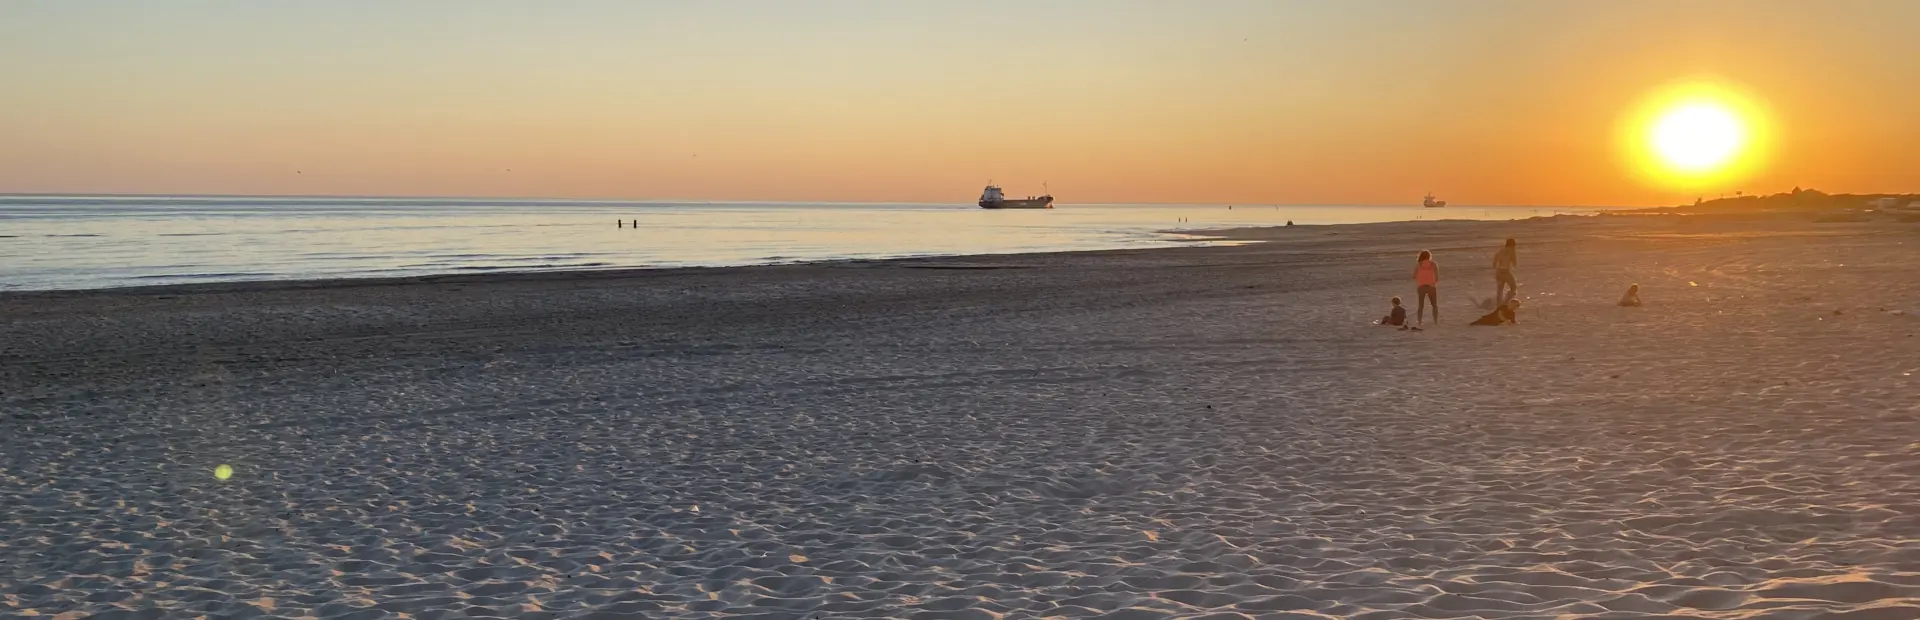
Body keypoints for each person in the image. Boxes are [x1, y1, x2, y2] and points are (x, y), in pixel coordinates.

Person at [1414, 250, 1439, 325]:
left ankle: (1419, 321)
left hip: (1421, 286)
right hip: (1431, 286)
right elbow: (1437, 277)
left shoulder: (1419, 265)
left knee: (1420, 306)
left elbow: (1414, 276)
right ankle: (1435, 321)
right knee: (1434, 305)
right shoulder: (1433, 264)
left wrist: (1420, 278)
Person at [1493, 238, 1518, 305]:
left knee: (1499, 290)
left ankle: (1499, 304)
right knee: (1513, 287)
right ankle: (1507, 301)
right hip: (1506, 272)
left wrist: (1495, 263)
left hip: (1499, 272)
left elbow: (1496, 258)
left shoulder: (1501, 250)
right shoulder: (1512, 250)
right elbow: (1514, 262)